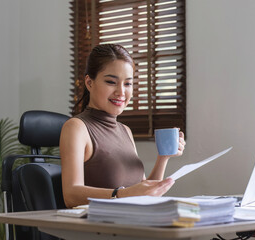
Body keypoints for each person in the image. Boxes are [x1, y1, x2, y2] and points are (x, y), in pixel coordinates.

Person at [60, 44, 186, 208]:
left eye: (127, 84)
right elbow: (71, 195)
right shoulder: (76, 127)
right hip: (100, 228)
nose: (121, 92)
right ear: (89, 83)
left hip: (133, 222)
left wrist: (163, 157)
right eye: (111, 82)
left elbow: (142, 193)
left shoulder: (125, 130)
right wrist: (121, 194)